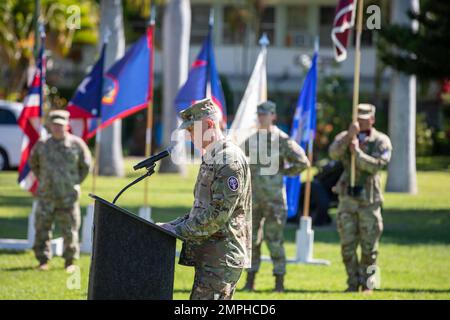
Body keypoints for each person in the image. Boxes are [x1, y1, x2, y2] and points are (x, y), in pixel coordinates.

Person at [158, 98, 252, 300]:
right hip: (211, 254)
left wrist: (178, 231)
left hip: (221, 258)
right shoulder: (212, 157)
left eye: (192, 130)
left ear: (209, 125)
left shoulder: (229, 161)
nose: (189, 136)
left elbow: (218, 214)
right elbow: (202, 208)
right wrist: (170, 225)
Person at [241, 101, 310, 292]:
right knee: (251, 240)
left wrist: (283, 172)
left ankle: (279, 283)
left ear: (273, 116)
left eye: (266, 114)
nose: (262, 117)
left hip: (274, 200)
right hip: (253, 199)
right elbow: (237, 158)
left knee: (274, 241)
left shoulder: (282, 140)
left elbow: (302, 162)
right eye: (259, 114)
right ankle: (250, 281)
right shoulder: (252, 139)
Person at [329, 103, 392, 293]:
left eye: (365, 118)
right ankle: (351, 282)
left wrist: (358, 153)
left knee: (369, 247)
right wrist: (349, 137)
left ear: (372, 119)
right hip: (348, 198)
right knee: (347, 245)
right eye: (359, 118)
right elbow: (333, 153)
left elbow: (378, 165)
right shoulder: (347, 136)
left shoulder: (381, 140)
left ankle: (369, 284)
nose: (362, 121)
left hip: (369, 200)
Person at [29, 110, 92, 271]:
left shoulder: (77, 145)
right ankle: (43, 260)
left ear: (67, 125)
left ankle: (69, 262)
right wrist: (44, 181)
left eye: (61, 125)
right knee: (42, 228)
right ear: (49, 125)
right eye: (54, 124)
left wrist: (74, 182)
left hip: (68, 197)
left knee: (70, 231)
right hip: (46, 196)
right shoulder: (42, 145)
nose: (57, 128)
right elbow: (34, 164)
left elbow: (85, 166)